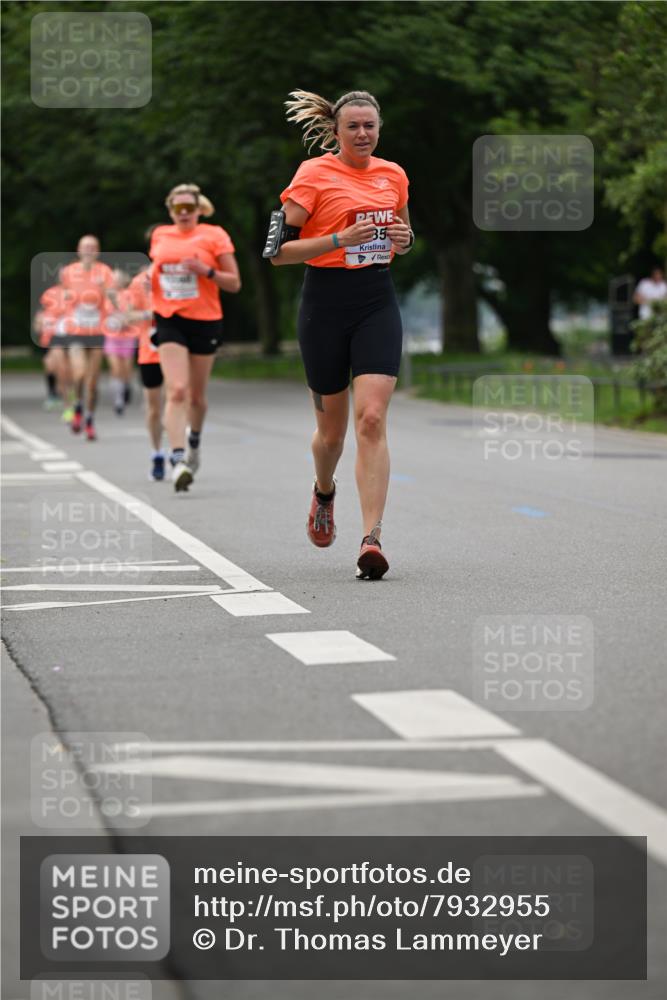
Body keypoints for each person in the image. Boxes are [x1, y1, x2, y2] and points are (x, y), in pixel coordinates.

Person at [269, 89, 413, 579]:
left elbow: (404, 235)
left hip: (376, 299)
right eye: (353, 126)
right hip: (324, 303)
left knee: (371, 418)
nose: (363, 134)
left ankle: (371, 538)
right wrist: (336, 239)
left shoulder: (394, 174)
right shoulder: (312, 176)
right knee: (331, 434)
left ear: (379, 127)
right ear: (336, 131)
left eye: (370, 125)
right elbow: (278, 252)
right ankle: (324, 490)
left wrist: (405, 239)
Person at [149, 183, 241, 491]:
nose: (185, 213)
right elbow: (156, 273)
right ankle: (178, 461)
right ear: (171, 210)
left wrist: (206, 271)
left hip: (205, 320)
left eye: (190, 208)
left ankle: (194, 444)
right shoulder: (160, 235)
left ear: (199, 209)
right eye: (179, 209)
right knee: (176, 390)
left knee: (197, 398)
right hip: (169, 319)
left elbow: (234, 283)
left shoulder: (215, 235)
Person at [59, 235, 114, 440]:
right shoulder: (69, 272)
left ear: (97, 251)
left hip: (97, 331)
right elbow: (63, 295)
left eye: (93, 247)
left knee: (93, 382)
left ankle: (89, 419)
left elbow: (112, 298)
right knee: (80, 374)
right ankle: (78, 406)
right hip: (76, 331)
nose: (89, 250)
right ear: (79, 250)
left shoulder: (105, 272)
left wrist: (103, 290)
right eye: (85, 247)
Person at [126, 261, 167, 481]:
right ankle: (157, 453)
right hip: (149, 353)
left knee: (176, 399)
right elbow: (128, 315)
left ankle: (179, 451)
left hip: (175, 351)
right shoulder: (139, 282)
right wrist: (151, 313)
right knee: (153, 408)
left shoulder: (177, 276)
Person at [103, 269, 137, 415]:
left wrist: (115, 303)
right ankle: (118, 400)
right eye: (113, 279)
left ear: (124, 281)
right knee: (115, 369)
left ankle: (126, 386)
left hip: (128, 337)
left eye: (118, 279)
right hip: (112, 338)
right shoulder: (106, 296)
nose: (116, 281)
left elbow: (128, 314)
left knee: (126, 370)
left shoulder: (129, 295)